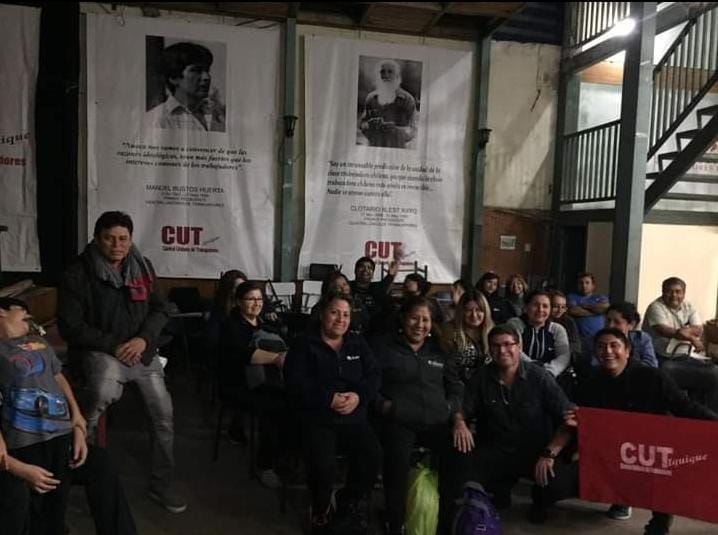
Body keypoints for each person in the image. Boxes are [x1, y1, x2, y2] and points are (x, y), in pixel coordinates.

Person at [57, 211, 186, 513]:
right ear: (96, 238)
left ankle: (162, 483)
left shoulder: (143, 266)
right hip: (101, 351)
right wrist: (113, 346)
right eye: (109, 238)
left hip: (141, 351)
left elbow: (161, 309)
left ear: (130, 239)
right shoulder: (77, 273)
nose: (117, 245)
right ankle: (81, 485)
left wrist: (144, 339)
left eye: (123, 239)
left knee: (163, 414)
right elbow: (70, 327)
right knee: (94, 404)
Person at [567, 328, 718, 534]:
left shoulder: (653, 377)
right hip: (616, 444)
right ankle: (620, 500)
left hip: (654, 443)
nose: (607, 351)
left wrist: (714, 423)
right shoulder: (592, 382)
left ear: (627, 351)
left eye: (614, 346)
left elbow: (684, 406)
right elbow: (583, 414)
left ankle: (660, 522)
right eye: (601, 347)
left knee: (663, 476)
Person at [445, 325, 577, 528]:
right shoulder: (481, 377)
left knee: (557, 483)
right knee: (460, 466)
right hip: (496, 448)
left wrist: (550, 453)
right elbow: (463, 409)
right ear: (490, 349)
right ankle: (497, 492)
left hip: (535, 451)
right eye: (496, 346)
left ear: (519, 346)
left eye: (508, 344)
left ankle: (540, 501)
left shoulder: (540, 377)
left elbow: (568, 419)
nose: (502, 350)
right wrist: (460, 423)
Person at [285, 292, 382, 535]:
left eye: (346, 315)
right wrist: (327, 399)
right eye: (334, 313)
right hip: (318, 417)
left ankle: (346, 500)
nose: (341, 319)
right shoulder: (303, 344)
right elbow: (295, 383)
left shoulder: (357, 343)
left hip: (353, 415)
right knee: (323, 466)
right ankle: (320, 509)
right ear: (322, 314)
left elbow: (374, 375)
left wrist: (358, 396)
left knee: (372, 456)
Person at [371, 296, 463, 535]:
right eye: (414, 318)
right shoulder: (383, 347)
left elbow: (456, 389)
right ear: (403, 318)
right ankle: (395, 522)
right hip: (399, 420)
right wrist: (385, 407)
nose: (420, 325)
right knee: (397, 460)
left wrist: (451, 412)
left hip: (437, 421)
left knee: (459, 453)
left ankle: (445, 520)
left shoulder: (442, 350)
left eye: (426, 320)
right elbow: (370, 387)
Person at [0, 297, 89, 534]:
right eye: (23, 312)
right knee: (33, 500)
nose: (29, 317)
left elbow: (58, 377)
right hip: (25, 437)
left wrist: (77, 417)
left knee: (57, 499)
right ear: (2, 312)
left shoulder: (39, 342)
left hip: (60, 432)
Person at [219, 281, 292, 488]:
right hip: (239, 384)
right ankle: (265, 465)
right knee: (274, 408)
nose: (256, 303)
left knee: (296, 401)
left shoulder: (263, 324)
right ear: (238, 301)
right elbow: (243, 355)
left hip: (268, 380)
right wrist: (277, 358)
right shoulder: (231, 325)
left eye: (259, 299)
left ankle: (284, 455)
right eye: (250, 299)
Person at [643, 277, 718, 412]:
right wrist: (692, 338)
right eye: (669, 291)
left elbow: (698, 329)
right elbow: (664, 331)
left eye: (678, 292)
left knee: (713, 371)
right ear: (662, 292)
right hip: (660, 359)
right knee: (668, 370)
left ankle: (708, 414)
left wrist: (684, 332)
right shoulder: (656, 307)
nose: (674, 296)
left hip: (683, 357)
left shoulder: (689, 306)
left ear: (684, 293)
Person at [145, 41, 226, 132]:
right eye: (196, 71)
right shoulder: (156, 120)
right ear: (174, 78)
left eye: (207, 70)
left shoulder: (218, 113)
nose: (206, 77)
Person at [506, 291, 571, 378]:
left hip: (550, 376)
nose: (540, 310)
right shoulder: (514, 324)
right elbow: (516, 351)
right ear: (526, 307)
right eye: (536, 305)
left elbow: (564, 355)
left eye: (545, 306)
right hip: (519, 374)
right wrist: (535, 369)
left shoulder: (557, 329)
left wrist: (550, 371)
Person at [358, 59, 417, 148]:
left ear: (397, 76)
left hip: (397, 149)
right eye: (382, 72)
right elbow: (362, 124)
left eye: (390, 72)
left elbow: (413, 130)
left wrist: (395, 130)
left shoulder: (407, 100)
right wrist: (369, 125)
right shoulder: (371, 98)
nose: (386, 75)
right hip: (375, 147)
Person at [443, 289, 494, 385]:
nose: (474, 315)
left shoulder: (492, 333)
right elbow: (448, 369)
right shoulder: (449, 332)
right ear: (461, 312)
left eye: (478, 310)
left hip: (487, 387)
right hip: (457, 386)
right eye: (468, 310)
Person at [349, 256, 397, 334]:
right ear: (355, 270)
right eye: (362, 266)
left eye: (369, 268)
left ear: (373, 273)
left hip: (374, 333)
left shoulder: (377, 289)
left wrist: (391, 274)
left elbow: (387, 280)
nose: (366, 270)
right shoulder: (347, 286)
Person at [567, 272, 609, 338]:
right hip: (579, 337)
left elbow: (605, 309)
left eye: (587, 283)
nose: (584, 285)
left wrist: (584, 306)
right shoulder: (572, 297)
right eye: (581, 283)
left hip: (598, 336)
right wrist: (596, 312)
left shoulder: (600, 297)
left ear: (593, 285)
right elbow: (573, 310)